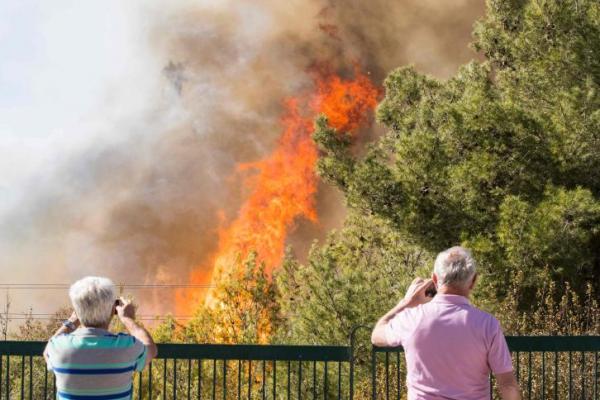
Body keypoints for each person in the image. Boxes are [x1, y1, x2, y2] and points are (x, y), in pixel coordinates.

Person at [371, 246, 521, 400]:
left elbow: (376, 336)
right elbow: (507, 385)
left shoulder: (412, 318)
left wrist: (406, 303)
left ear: (435, 279)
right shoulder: (488, 325)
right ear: (473, 281)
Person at [44, 276, 158, 399]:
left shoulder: (59, 346)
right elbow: (151, 350)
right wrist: (127, 319)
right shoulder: (126, 346)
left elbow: (47, 351)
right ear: (113, 310)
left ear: (76, 310)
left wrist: (72, 321)